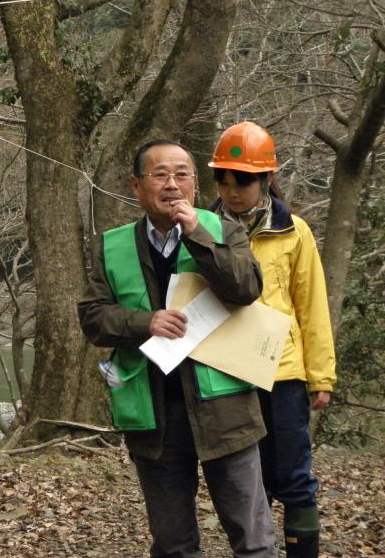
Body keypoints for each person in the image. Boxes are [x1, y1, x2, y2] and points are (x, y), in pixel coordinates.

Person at [78, 139, 276, 558]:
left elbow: (246, 289)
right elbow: (93, 318)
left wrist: (198, 235)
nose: (172, 184)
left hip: (226, 410)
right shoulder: (114, 244)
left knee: (253, 539)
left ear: (194, 185)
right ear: (137, 185)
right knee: (173, 544)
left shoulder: (223, 230)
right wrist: (143, 322)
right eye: (160, 174)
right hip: (154, 413)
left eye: (182, 174)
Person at [208, 122, 336, 558]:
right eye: (222, 179)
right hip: (225, 373)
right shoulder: (202, 229)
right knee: (244, 479)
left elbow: (312, 304)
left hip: (282, 373)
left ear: (265, 179)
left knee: (295, 477)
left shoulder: (293, 230)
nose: (231, 189)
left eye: (242, 179)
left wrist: (321, 376)